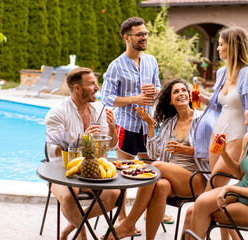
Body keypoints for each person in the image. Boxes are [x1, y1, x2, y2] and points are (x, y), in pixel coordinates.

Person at [107, 79, 206, 240]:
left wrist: (187, 150)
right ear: (170, 101)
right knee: (159, 186)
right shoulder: (169, 123)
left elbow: (213, 153)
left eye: (183, 90)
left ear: (189, 95)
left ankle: (128, 224)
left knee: (156, 166)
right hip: (172, 181)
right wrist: (151, 125)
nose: (181, 93)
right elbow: (153, 153)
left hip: (196, 178)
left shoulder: (202, 120)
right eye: (176, 92)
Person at [184, 95, 248, 240]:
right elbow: (240, 174)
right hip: (240, 196)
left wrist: (229, 188)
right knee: (193, 209)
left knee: (199, 211)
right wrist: (223, 152)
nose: (245, 110)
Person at [101, 16, 162, 230]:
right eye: (140, 34)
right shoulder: (116, 66)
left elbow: (158, 87)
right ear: (127, 38)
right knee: (124, 176)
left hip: (148, 126)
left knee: (150, 173)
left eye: (145, 33)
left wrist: (154, 91)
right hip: (126, 126)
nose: (144, 37)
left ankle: (146, 213)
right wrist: (134, 99)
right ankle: (122, 217)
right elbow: (107, 97)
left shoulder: (151, 61)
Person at [45, 67, 119, 240]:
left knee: (114, 195)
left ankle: (70, 229)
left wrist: (112, 130)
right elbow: (52, 149)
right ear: (77, 88)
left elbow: (112, 147)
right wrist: (80, 141)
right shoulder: (57, 112)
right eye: (92, 83)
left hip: (91, 168)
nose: (97, 87)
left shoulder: (98, 110)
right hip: (62, 171)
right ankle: (82, 234)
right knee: (71, 194)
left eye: (96, 82)